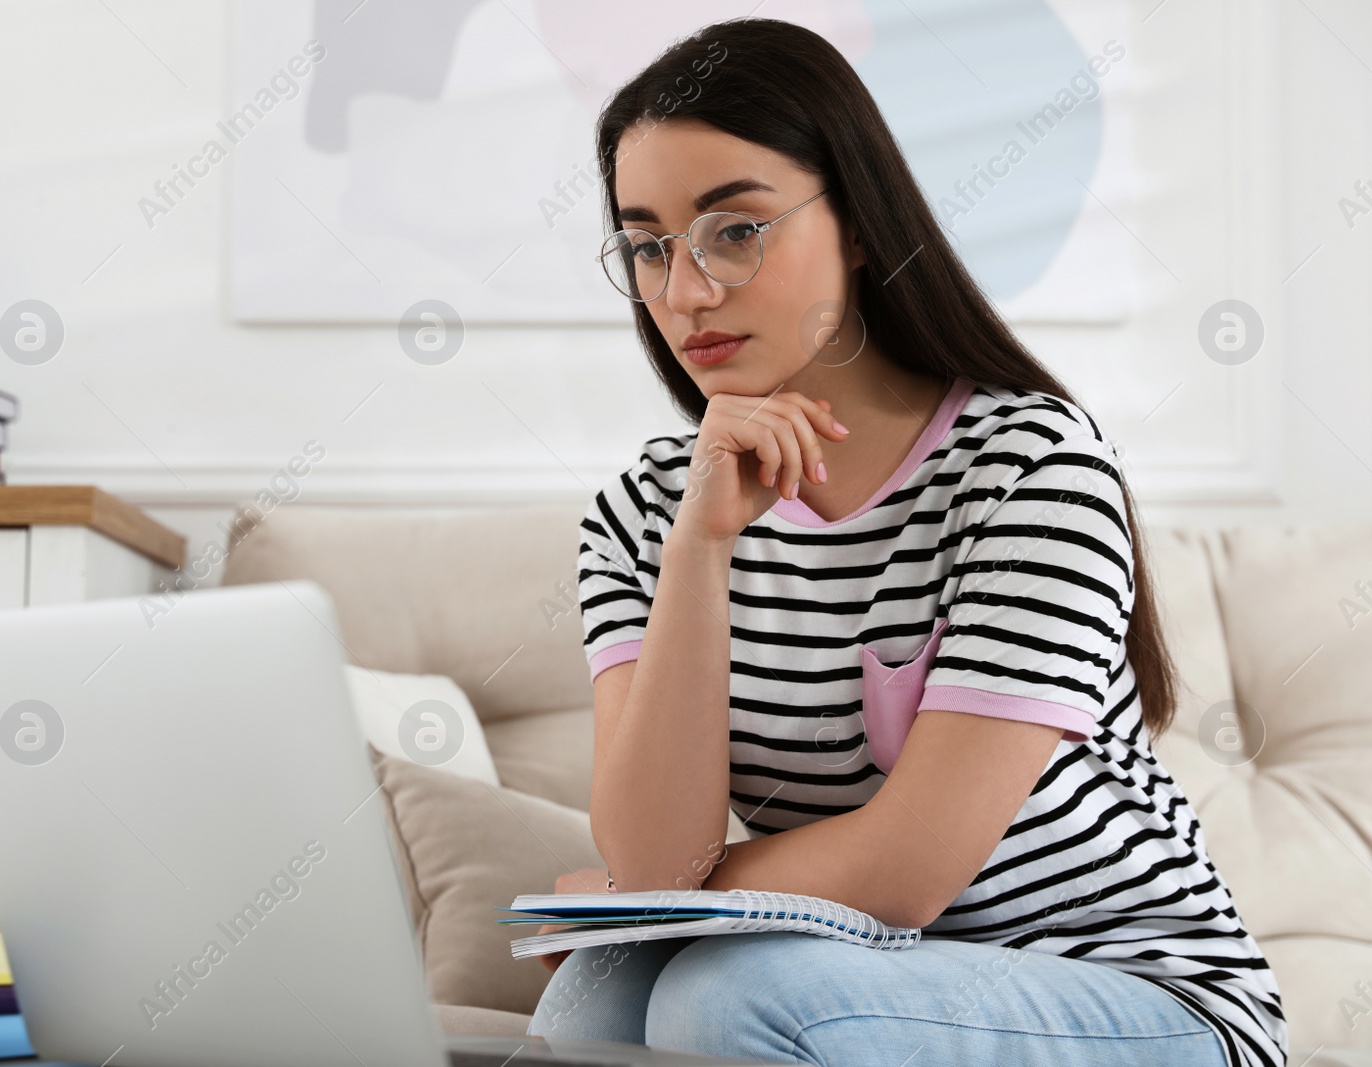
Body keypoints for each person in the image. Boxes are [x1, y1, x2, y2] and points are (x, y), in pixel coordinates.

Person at [527, 17, 1286, 1067]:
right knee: (595, 1003)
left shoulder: (1029, 468)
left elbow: (908, 870)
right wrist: (698, 552)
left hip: (1139, 996)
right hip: (855, 974)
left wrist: (639, 896)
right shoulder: (642, 512)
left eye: (733, 230)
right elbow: (661, 850)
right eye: (648, 245)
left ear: (857, 221)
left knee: (723, 997)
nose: (684, 291)